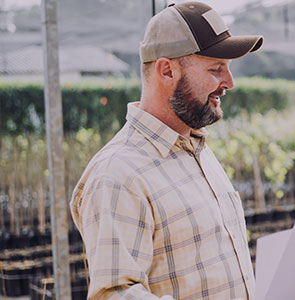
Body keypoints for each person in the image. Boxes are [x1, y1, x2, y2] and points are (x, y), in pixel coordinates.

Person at [70, 2, 263, 299]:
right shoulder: (118, 174)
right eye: (216, 69)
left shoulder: (195, 147)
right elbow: (115, 293)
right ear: (167, 71)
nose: (229, 83)